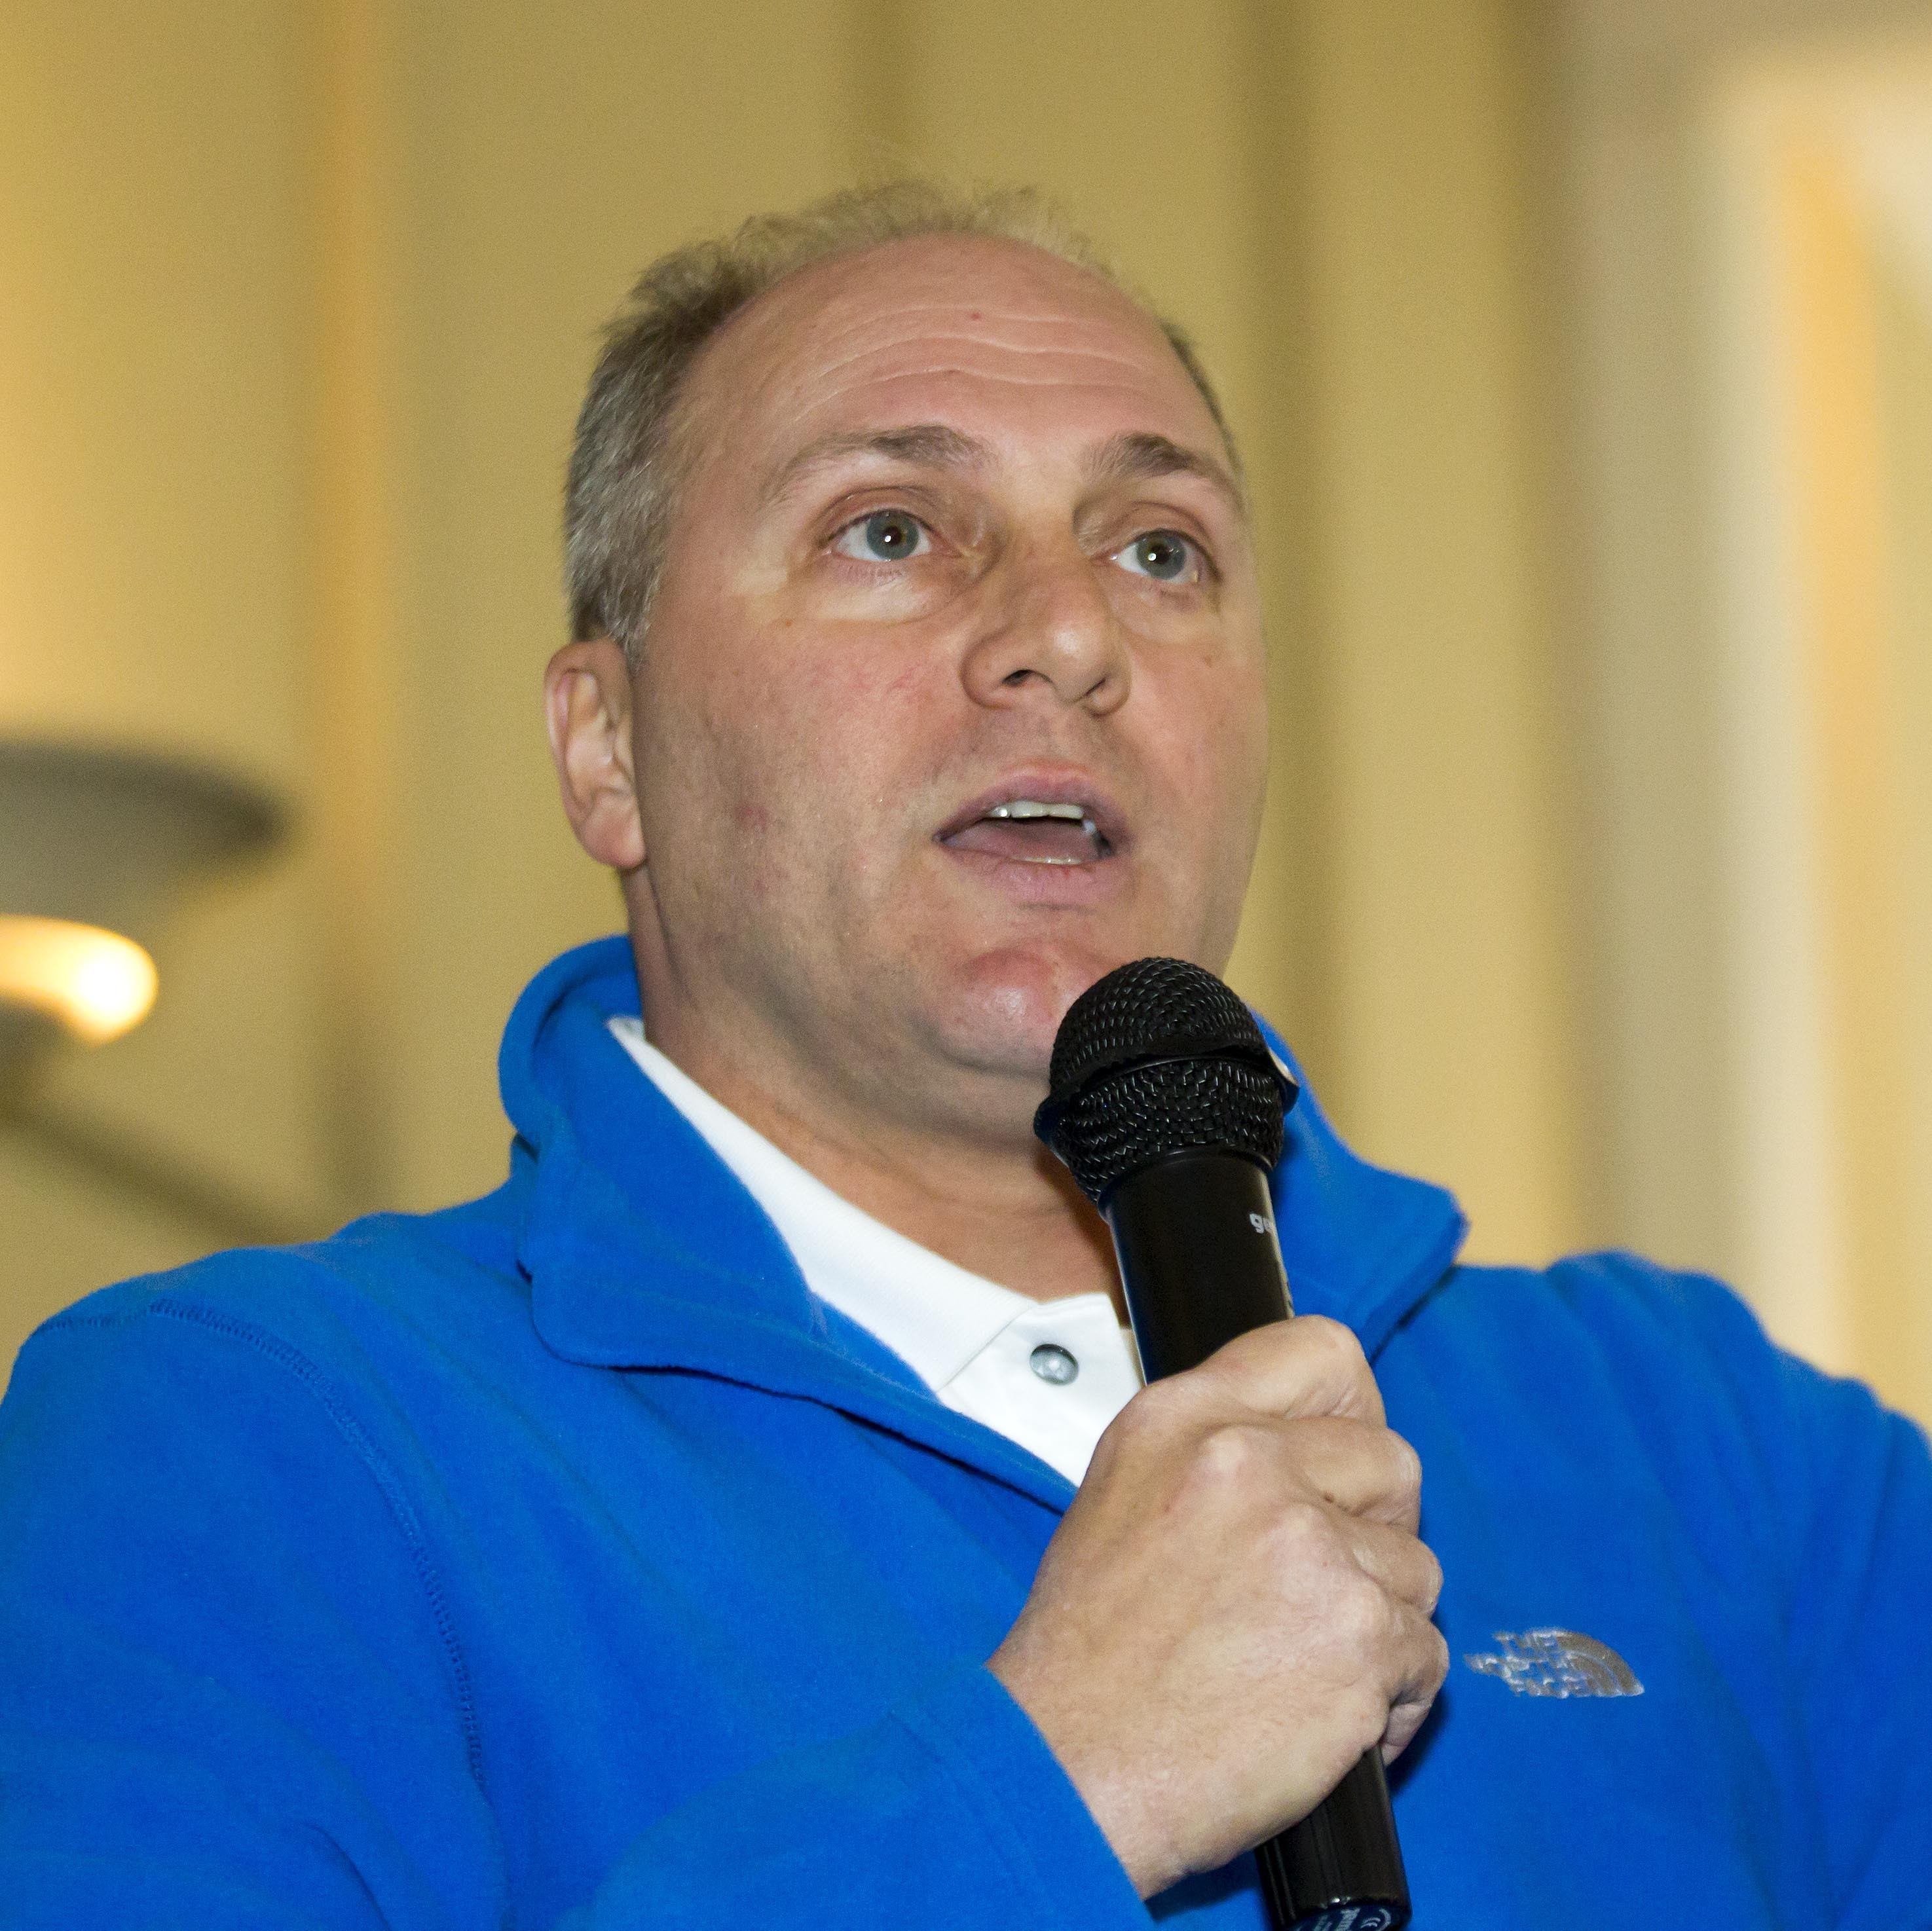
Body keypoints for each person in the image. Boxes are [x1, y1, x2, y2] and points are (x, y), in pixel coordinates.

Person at [1, 181, 1926, 1931]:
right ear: (608, 747)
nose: (1067, 635)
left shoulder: (1724, 1460)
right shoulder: (247, 1444)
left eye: (1160, 552)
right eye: (895, 530)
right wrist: (1057, 1786)